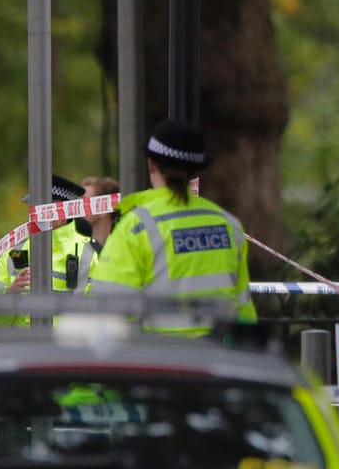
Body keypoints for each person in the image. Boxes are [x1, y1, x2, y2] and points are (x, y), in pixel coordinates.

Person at [86, 120, 253, 336]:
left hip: (164, 360)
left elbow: (107, 309)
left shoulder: (137, 226)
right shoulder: (229, 225)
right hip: (218, 359)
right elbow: (243, 307)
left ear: (151, 164)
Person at [0, 174, 93, 298]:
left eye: (41, 209)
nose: (34, 213)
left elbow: (100, 309)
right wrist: (9, 294)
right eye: (33, 207)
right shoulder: (16, 249)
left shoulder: (90, 252)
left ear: (62, 211)